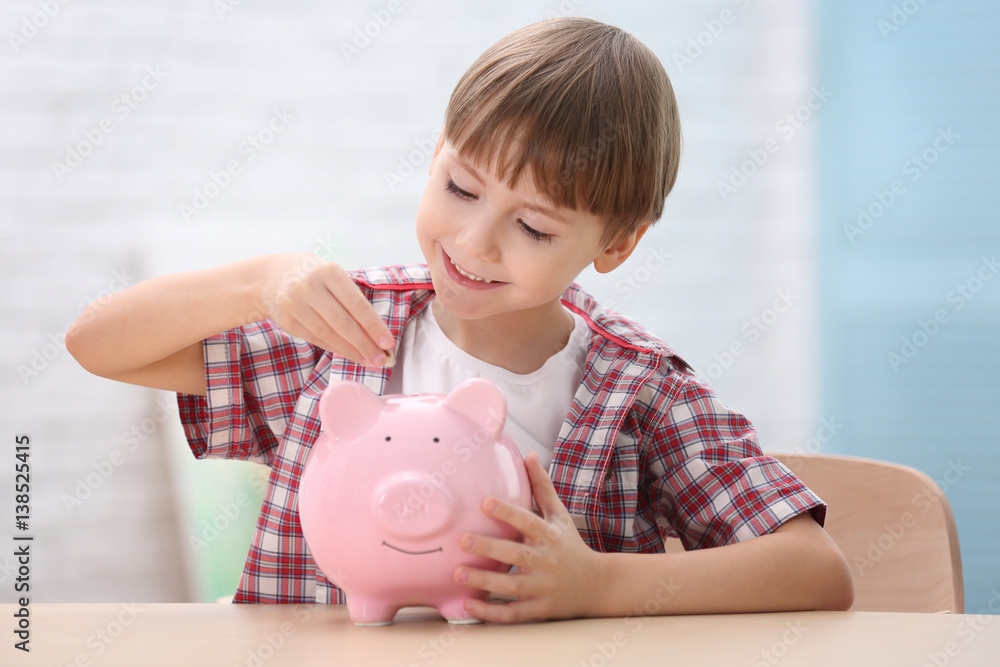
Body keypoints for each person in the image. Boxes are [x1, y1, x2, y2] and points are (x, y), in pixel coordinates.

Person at [67, 17, 853, 621]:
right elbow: (96, 343)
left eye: (535, 228)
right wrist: (259, 279)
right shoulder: (346, 334)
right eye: (461, 188)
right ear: (436, 153)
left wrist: (602, 584)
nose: (474, 242)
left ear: (615, 243)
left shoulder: (638, 390)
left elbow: (817, 570)